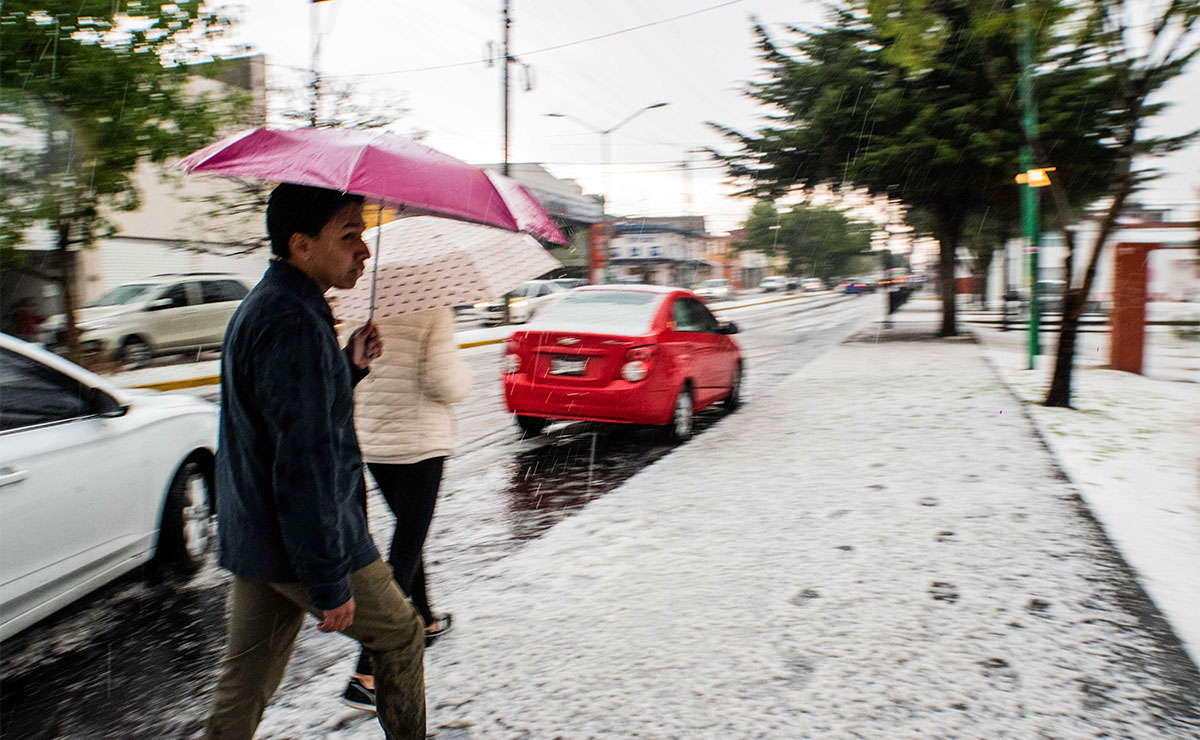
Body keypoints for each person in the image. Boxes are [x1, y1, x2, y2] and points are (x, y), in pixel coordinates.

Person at [204, 184, 426, 740]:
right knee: (400, 636)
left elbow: (287, 416)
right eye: (350, 235)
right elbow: (302, 464)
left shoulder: (274, 305)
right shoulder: (294, 324)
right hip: (306, 538)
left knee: (246, 680)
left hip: (260, 534)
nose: (364, 251)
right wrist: (329, 578)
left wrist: (345, 366)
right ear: (302, 245)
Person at [341, 307, 472, 712]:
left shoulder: (359, 307)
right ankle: (366, 672)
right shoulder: (434, 310)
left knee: (407, 536)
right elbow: (442, 381)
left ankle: (427, 619)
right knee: (406, 547)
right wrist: (465, 376)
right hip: (419, 443)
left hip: (376, 441)